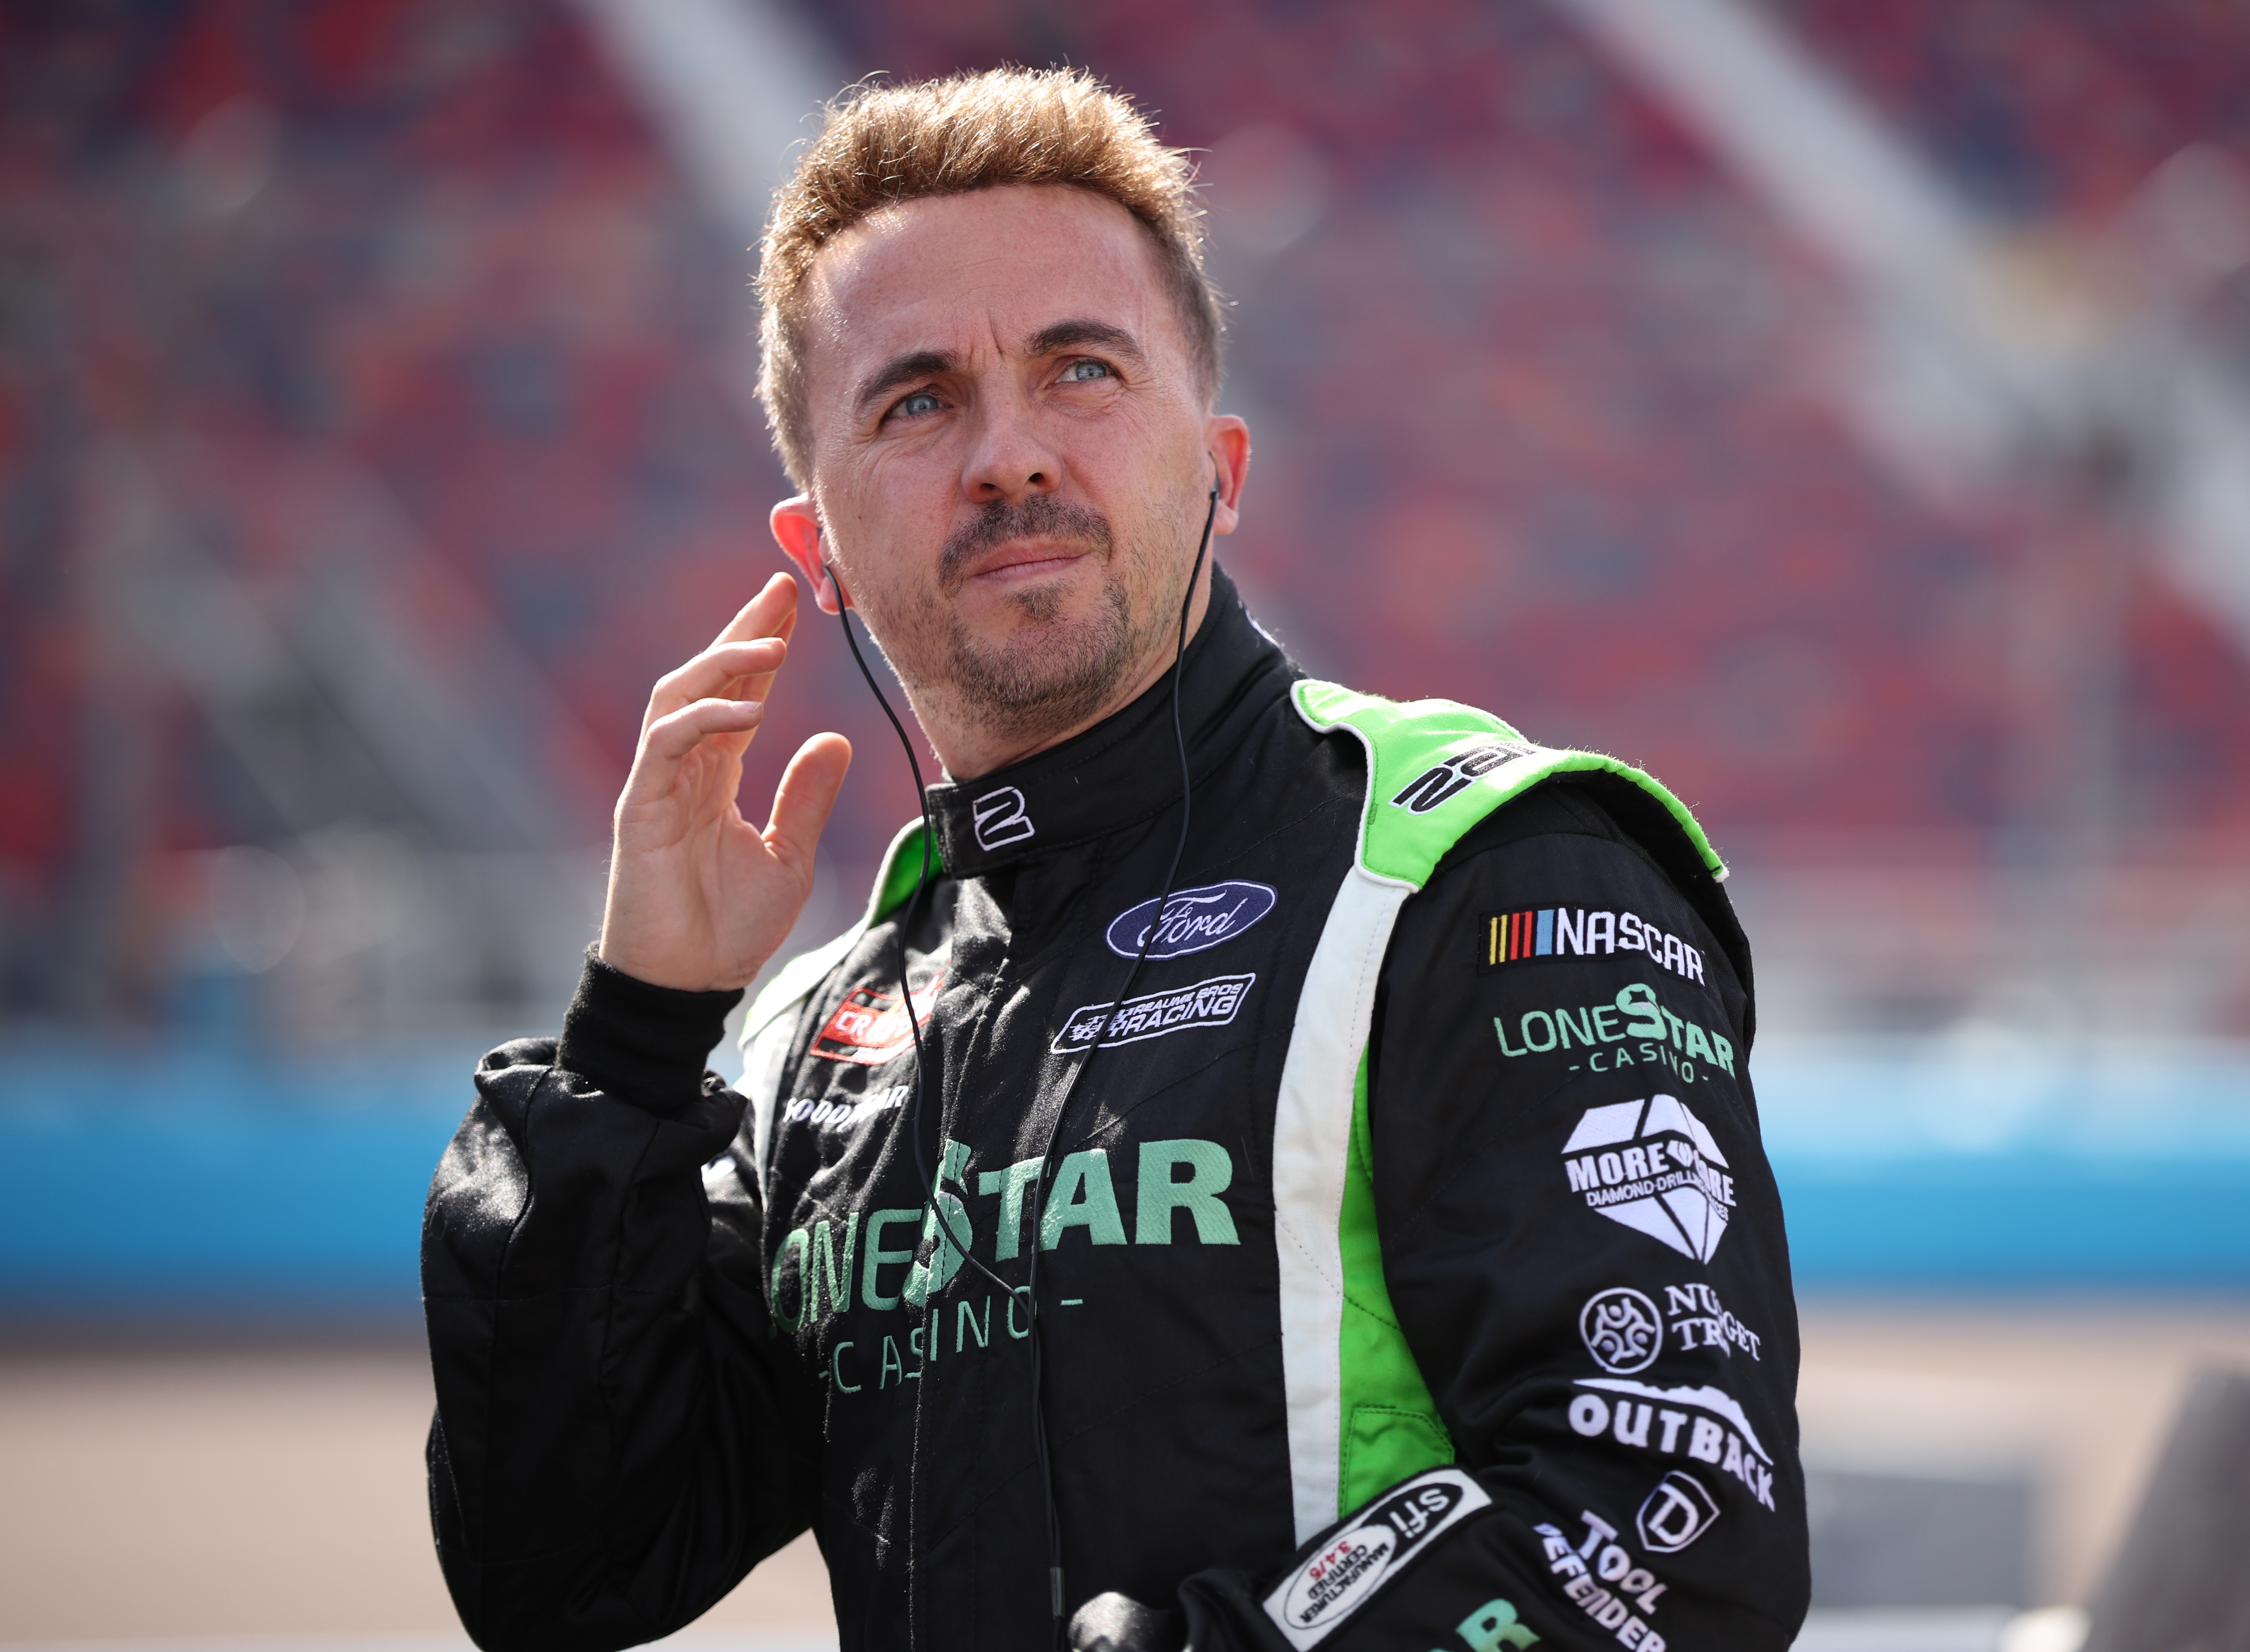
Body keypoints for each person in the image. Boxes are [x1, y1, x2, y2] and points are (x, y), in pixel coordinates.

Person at [422, 66, 1807, 1652]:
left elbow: (1675, 1543)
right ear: (820, 555)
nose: (1010, 454)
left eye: (1081, 370)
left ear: (1219, 467)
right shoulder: (826, 1036)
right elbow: (563, 1571)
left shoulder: (1479, 877)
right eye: (918, 399)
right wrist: (641, 1037)